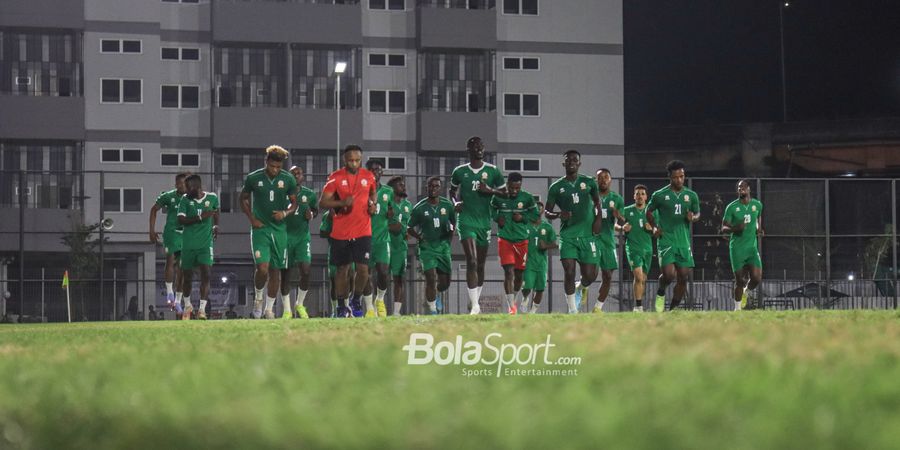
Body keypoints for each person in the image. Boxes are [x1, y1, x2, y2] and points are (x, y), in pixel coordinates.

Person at [449, 136, 505, 314]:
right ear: (469, 150)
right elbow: (452, 191)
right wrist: (455, 202)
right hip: (466, 221)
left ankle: (475, 300)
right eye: (475, 146)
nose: (479, 148)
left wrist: (490, 191)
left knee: (480, 264)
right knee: (471, 261)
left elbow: (505, 193)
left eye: (481, 146)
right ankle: (475, 306)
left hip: (484, 222)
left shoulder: (493, 171)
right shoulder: (459, 171)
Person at [240, 145, 298, 319]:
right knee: (263, 268)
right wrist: (251, 218)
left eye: (278, 167)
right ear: (266, 162)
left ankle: (269, 309)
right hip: (260, 229)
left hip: (280, 231)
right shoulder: (253, 178)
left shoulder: (288, 179)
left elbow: (294, 204)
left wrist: (285, 213)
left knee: (275, 271)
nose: (275, 170)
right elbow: (242, 198)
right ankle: (258, 298)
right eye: (272, 166)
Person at [319, 145, 377, 318]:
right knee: (342, 270)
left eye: (357, 160)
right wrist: (342, 203)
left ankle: (356, 299)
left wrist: (373, 205)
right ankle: (342, 305)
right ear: (345, 160)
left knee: (364, 269)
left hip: (363, 230)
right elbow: (323, 203)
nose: (354, 163)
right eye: (350, 160)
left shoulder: (368, 176)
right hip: (341, 231)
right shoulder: (335, 178)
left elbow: (373, 194)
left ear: (361, 159)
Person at [545, 150, 602, 314]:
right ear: (563, 164)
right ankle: (572, 310)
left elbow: (598, 203)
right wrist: (558, 214)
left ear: (579, 163)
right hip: (568, 236)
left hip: (587, 235)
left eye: (574, 160)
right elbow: (547, 212)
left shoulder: (589, 182)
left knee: (590, 276)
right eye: (568, 160)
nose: (571, 162)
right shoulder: (556, 187)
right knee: (569, 271)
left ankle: (581, 286)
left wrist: (598, 220)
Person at [646, 160, 700, 312]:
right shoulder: (660, 195)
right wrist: (655, 227)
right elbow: (648, 211)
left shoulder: (691, 195)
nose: (679, 180)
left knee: (683, 277)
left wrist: (693, 218)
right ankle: (661, 291)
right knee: (669, 275)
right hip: (666, 240)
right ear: (669, 177)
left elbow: (697, 213)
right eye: (676, 177)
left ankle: (672, 310)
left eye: (682, 176)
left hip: (683, 241)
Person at [408, 177, 456, 315]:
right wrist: (418, 237)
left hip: (443, 247)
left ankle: (438, 294)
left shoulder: (447, 206)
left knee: (445, 283)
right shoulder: (419, 208)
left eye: (436, 186)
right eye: (430, 186)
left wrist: (449, 239)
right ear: (426, 188)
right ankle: (432, 310)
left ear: (440, 188)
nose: (433, 188)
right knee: (430, 277)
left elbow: (453, 222)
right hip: (426, 247)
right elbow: (409, 227)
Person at [490, 172, 537, 314]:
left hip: (522, 241)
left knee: (518, 276)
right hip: (505, 239)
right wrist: (498, 217)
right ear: (507, 185)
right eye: (512, 188)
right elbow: (491, 209)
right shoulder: (498, 196)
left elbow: (535, 215)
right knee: (508, 272)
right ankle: (511, 307)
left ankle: (514, 299)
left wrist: (522, 217)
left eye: (517, 188)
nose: (515, 191)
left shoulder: (527, 198)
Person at [581, 168, 625, 313]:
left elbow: (623, 222)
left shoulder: (617, 199)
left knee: (607, 275)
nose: (603, 180)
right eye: (600, 177)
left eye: (606, 177)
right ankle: (583, 286)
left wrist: (619, 216)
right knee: (591, 275)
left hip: (608, 240)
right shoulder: (589, 197)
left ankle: (597, 308)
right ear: (596, 180)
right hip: (592, 239)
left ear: (610, 180)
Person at [177, 174, 220, 320]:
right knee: (187, 277)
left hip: (205, 245)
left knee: (206, 274)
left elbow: (216, 211)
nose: (186, 191)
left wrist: (215, 225)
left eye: (188, 188)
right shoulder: (185, 200)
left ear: (196, 187)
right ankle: (188, 306)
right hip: (188, 244)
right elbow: (181, 219)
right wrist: (201, 217)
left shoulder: (212, 197)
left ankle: (202, 310)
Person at [149, 172, 190, 313]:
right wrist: (151, 230)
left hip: (186, 234)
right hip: (172, 233)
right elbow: (154, 210)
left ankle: (178, 300)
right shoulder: (169, 196)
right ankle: (169, 292)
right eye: (179, 183)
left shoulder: (193, 197)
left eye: (184, 183)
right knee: (170, 258)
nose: (182, 185)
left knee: (183, 268)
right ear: (176, 184)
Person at [281, 165, 318, 319]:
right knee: (286, 274)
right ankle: (287, 310)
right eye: (293, 173)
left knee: (306, 270)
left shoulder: (309, 194)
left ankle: (300, 304)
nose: (296, 175)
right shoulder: (280, 193)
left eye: (299, 173)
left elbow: (315, 210)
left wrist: (312, 215)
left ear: (303, 176)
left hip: (302, 238)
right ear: (288, 176)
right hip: (284, 237)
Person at [721, 179, 764, 311]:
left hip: (751, 248)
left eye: (743, 187)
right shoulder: (732, 207)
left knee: (756, 278)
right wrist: (735, 228)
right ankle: (737, 309)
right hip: (737, 248)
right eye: (739, 188)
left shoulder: (757, 204)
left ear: (749, 189)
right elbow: (723, 228)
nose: (741, 189)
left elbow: (757, 218)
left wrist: (759, 228)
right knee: (739, 280)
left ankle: (747, 291)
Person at [362, 159, 394, 317]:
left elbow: (391, 210)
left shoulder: (388, 191)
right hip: (365, 239)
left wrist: (390, 213)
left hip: (382, 239)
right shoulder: (361, 191)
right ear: (367, 172)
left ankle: (379, 300)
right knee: (364, 274)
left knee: (383, 271)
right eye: (373, 170)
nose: (376, 172)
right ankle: (369, 307)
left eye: (379, 170)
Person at [620, 184, 657, 312]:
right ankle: (638, 307)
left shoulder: (652, 212)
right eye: (637, 194)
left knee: (643, 280)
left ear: (646, 197)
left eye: (642, 194)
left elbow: (659, 231)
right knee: (639, 277)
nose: (640, 196)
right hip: (633, 248)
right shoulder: (626, 210)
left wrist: (652, 229)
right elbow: (615, 225)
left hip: (647, 249)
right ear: (634, 196)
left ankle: (639, 305)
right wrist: (622, 228)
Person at [520, 202, 558, 314]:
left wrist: (546, 246)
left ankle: (533, 311)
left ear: (542, 211)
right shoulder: (525, 225)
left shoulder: (547, 227)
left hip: (541, 263)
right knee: (527, 286)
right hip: (528, 262)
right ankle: (525, 298)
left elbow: (555, 244)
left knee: (540, 288)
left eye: (539, 209)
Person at [320, 210, 356, 317]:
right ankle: (336, 310)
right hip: (335, 249)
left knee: (351, 278)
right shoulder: (328, 215)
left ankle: (347, 306)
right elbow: (322, 232)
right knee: (334, 281)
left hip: (350, 249)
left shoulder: (352, 212)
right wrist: (335, 230)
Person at [387, 176, 412, 316]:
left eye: (404, 184)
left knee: (399, 279)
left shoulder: (408, 205)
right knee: (381, 277)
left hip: (400, 247)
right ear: (392, 189)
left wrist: (407, 230)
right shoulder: (387, 203)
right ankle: (377, 308)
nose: (403, 187)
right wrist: (391, 226)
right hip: (386, 243)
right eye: (400, 185)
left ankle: (396, 312)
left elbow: (410, 224)